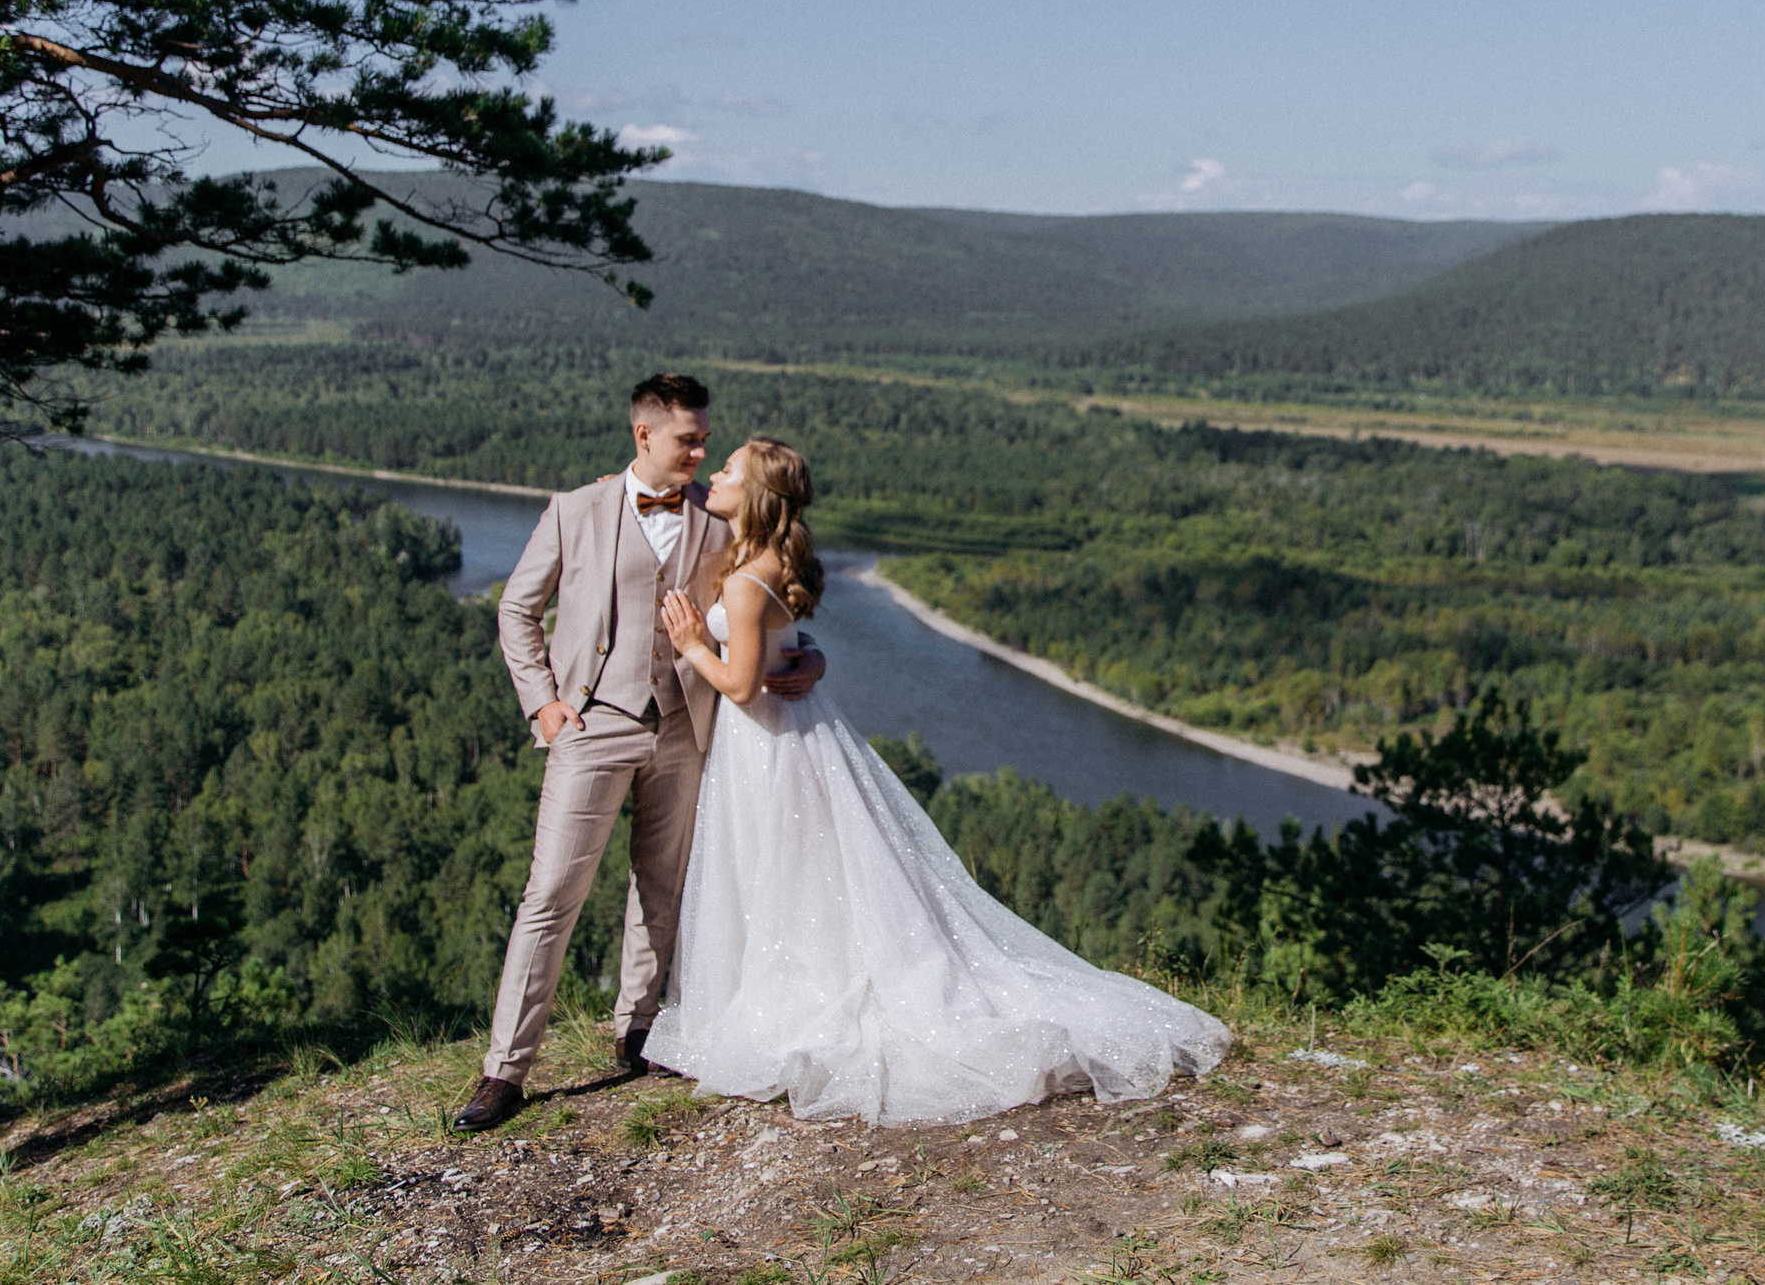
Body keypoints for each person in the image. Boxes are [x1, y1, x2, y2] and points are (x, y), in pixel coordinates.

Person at [639, 437, 1231, 1125]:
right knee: (799, 876)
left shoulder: (745, 582)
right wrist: (811, 657)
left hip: (766, 741)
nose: (716, 472)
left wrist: (690, 645)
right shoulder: (769, 561)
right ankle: (790, 988)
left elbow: (742, 685)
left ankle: (785, 1006)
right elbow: (788, 647)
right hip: (792, 737)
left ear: (758, 493)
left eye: (729, 469)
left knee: (777, 872)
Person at [454, 375, 827, 1133]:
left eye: (704, 439)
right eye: (689, 438)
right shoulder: (576, 509)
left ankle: (640, 1030)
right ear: (644, 436)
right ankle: (504, 1070)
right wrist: (546, 704)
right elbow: (518, 608)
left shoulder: (721, 517)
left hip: (688, 726)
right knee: (550, 896)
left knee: (663, 889)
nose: (699, 451)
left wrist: (811, 656)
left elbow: (778, 601)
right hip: (592, 726)